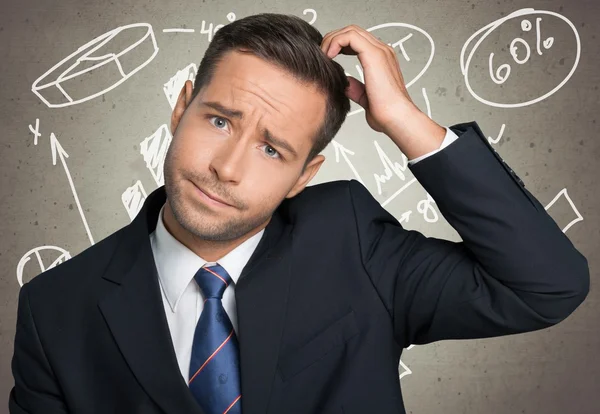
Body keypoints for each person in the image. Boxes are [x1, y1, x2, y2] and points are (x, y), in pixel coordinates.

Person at [9, 12, 589, 414]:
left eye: (272, 149)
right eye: (218, 120)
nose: (227, 168)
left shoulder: (351, 239)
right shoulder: (54, 307)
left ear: (304, 175)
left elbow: (545, 287)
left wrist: (406, 123)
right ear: (181, 107)